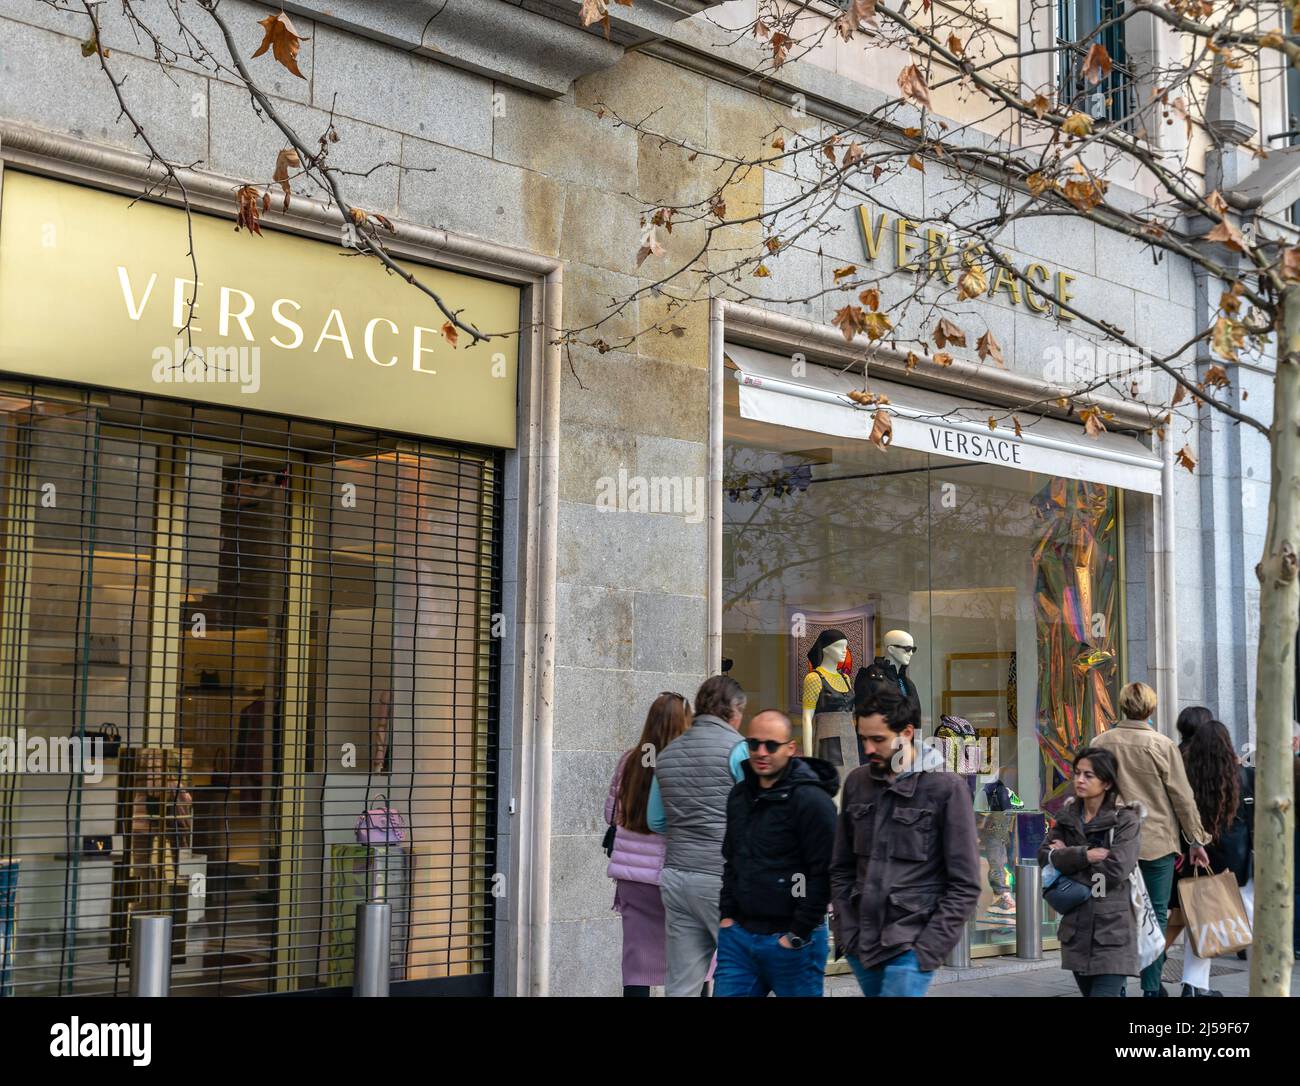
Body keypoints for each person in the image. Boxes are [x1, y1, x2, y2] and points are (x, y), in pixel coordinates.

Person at [830, 686, 981, 997]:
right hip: (862, 944)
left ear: (907, 732)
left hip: (911, 946)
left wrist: (927, 950)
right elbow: (841, 866)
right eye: (863, 739)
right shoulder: (857, 782)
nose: (868, 748)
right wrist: (848, 930)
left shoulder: (946, 789)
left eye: (878, 739)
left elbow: (965, 884)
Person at [1092, 682, 1211, 996]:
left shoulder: (1100, 742)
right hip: (1156, 841)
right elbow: (1183, 797)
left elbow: (1089, 791)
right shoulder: (1162, 745)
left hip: (1111, 841)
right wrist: (1196, 840)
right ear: (1151, 708)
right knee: (1156, 914)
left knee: (1111, 913)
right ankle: (1151, 987)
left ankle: (1114, 986)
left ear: (1121, 705)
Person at [715, 709, 838, 997]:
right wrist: (727, 916)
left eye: (771, 745)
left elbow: (826, 872)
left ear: (790, 748)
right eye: (753, 744)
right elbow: (731, 858)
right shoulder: (740, 795)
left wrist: (797, 933)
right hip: (740, 939)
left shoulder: (812, 800)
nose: (761, 752)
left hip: (794, 943)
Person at [648, 674, 748, 996]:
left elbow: (656, 821)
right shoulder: (738, 749)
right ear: (733, 710)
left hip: (677, 877)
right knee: (743, 973)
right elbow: (756, 816)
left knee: (682, 983)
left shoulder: (667, 754)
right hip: (722, 878)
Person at [603, 692, 691, 996]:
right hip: (670, 875)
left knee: (637, 963)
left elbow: (609, 814)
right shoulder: (681, 762)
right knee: (693, 962)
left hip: (632, 880)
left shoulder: (629, 760)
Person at [1038, 747, 1142, 997]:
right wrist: (1085, 855)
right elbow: (1044, 856)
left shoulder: (1125, 819)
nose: (1080, 780)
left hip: (1112, 930)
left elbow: (1116, 869)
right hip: (1077, 929)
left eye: (1089, 775)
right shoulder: (1067, 816)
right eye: (1077, 773)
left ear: (1106, 782)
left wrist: (1067, 860)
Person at [1171, 719, 1254, 997]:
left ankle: (1194, 986)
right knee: (1226, 917)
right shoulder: (1240, 775)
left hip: (1197, 854)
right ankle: (1195, 986)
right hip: (1232, 857)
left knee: (1202, 920)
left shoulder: (1186, 773)